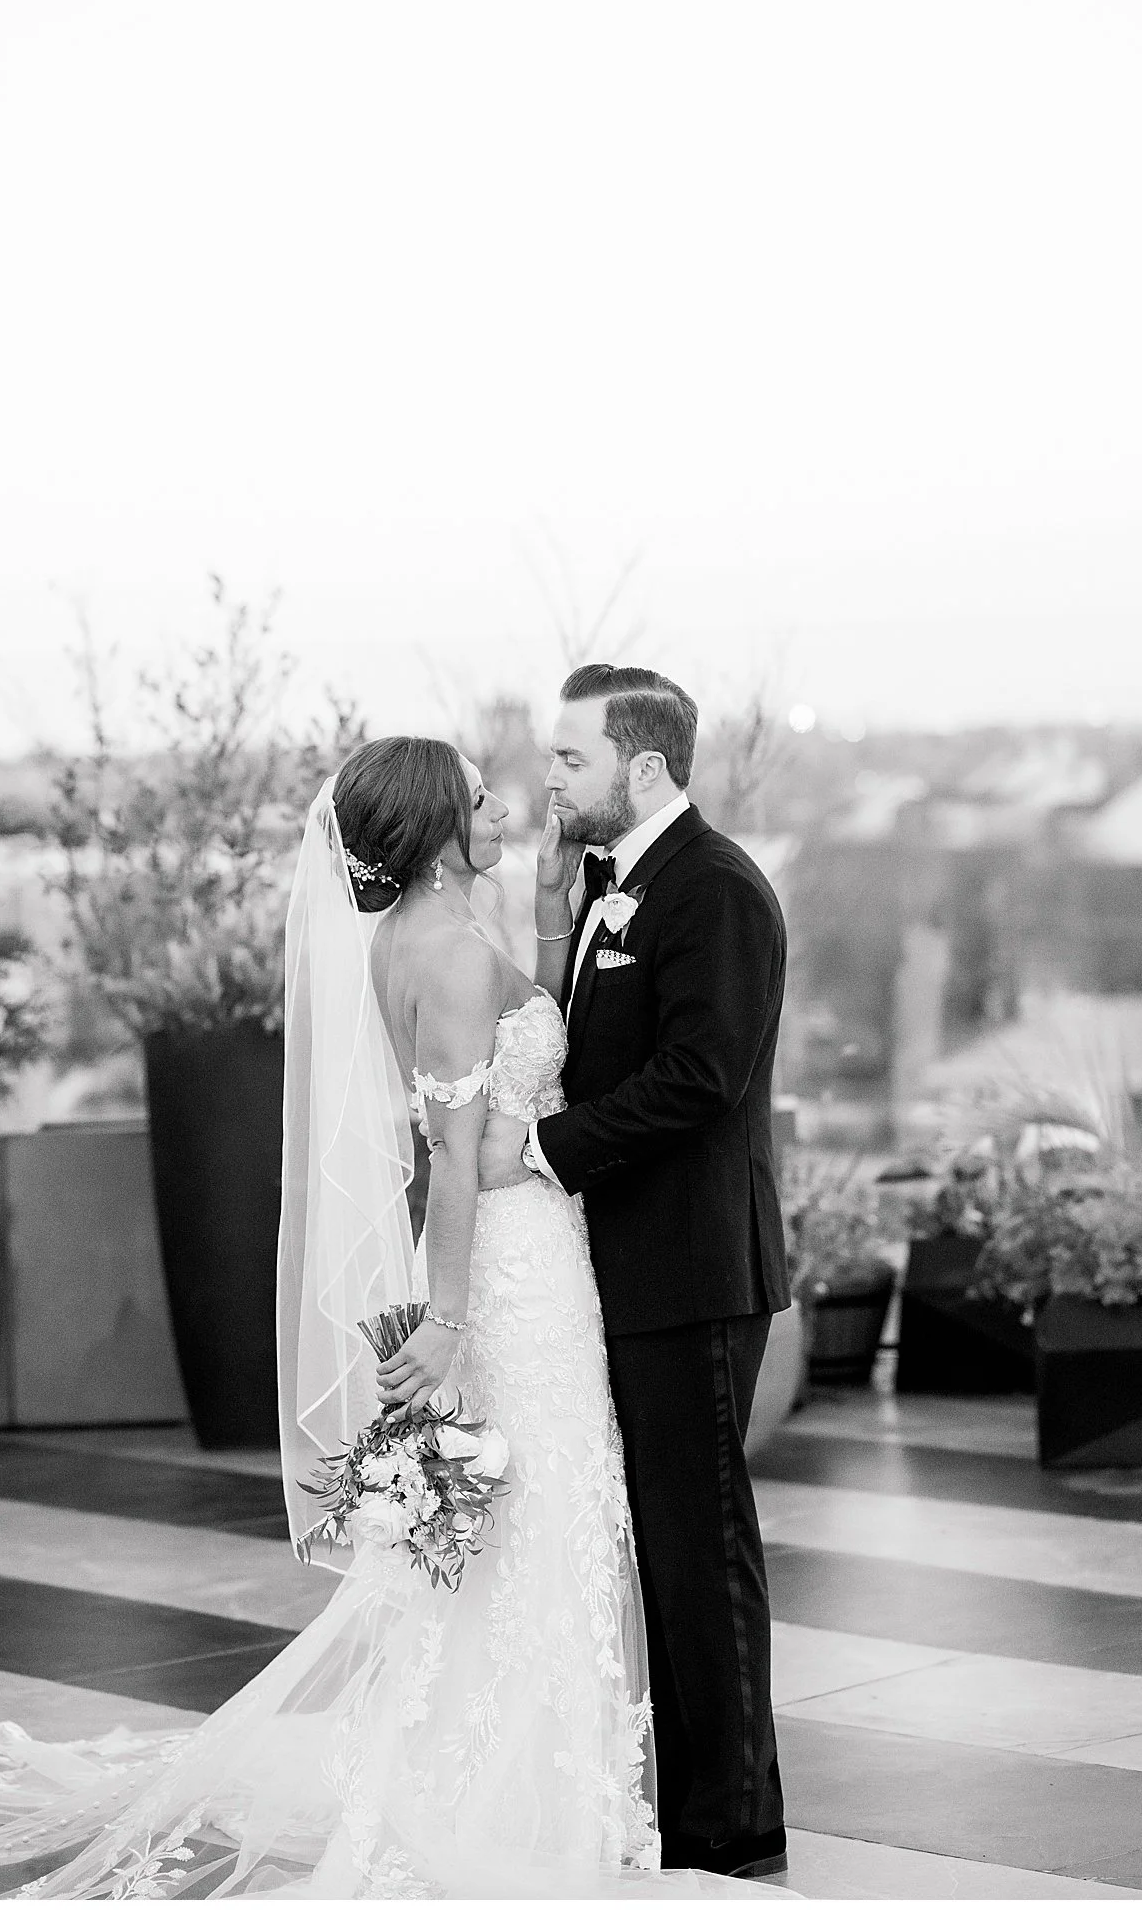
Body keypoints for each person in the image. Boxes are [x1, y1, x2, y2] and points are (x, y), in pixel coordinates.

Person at [0, 735, 786, 1901]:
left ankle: (530, 1773)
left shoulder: (414, 935)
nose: (504, 807)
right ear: (434, 831)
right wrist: (448, 1321)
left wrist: (551, 912)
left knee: (527, 1524)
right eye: (477, 798)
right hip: (511, 1265)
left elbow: (498, 1071)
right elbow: (458, 1158)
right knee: (553, 1511)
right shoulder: (451, 953)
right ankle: (524, 1792)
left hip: (526, 1252)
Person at [480, 663, 791, 1881]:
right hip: (625, 1265)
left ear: (644, 765)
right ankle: (692, 1809)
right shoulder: (620, 884)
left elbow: (704, 1074)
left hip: (693, 1268)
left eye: (571, 757)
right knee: (662, 1539)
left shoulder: (715, 889)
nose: (550, 776)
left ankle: (732, 1825)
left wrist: (543, 1148)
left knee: (701, 1545)